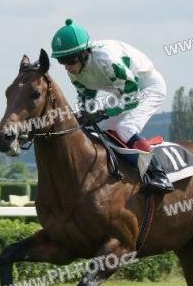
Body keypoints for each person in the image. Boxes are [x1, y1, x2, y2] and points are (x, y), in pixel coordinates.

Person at [51, 18, 173, 193]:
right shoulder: (75, 72)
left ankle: (159, 174)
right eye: (62, 61)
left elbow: (132, 97)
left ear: (83, 54)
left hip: (147, 88)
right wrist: (85, 114)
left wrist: (104, 112)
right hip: (122, 92)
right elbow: (87, 97)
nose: (66, 67)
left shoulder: (107, 61)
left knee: (125, 128)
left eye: (69, 61)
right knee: (95, 129)